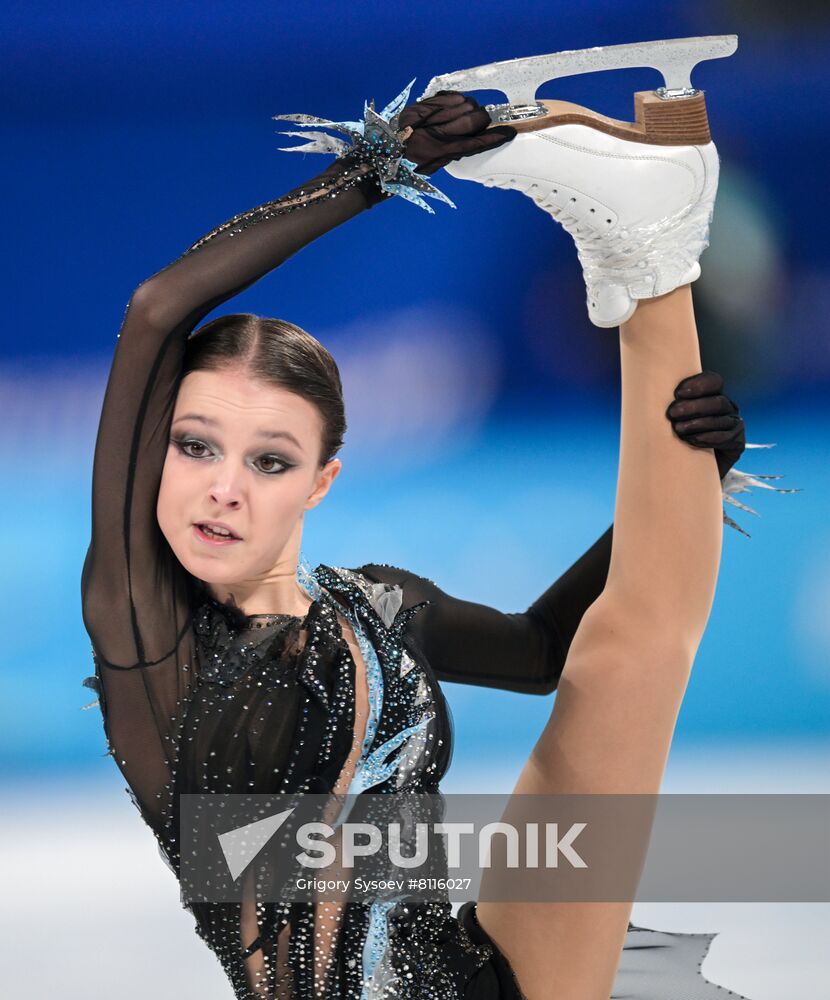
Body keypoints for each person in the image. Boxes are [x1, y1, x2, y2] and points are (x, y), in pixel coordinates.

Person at [80, 82, 780, 1000]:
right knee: (639, 642)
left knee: (630, 650)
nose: (223, 488)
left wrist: (683, 482)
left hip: (499, 966)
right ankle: (649, 249)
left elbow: (539, 653)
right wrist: (379, 169)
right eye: (196, 445)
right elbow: (159, 309)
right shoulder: (147, 635)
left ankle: (647, 243)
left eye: (270, 461)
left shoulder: (380, 608)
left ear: (322, 482)